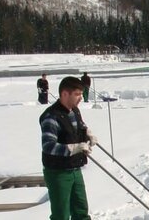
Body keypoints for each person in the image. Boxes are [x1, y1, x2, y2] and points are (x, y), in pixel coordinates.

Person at [39, 76, 97, 220]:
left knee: (81, 210)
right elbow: (48, 146)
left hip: (75, 168)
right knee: (61, 215)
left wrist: (88, 133)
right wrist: (75, 148)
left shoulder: (74, 111)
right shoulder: (51, 117)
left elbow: (79, 126)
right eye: (77, 94)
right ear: (65, 94)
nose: (80, 98)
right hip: (58, 172)